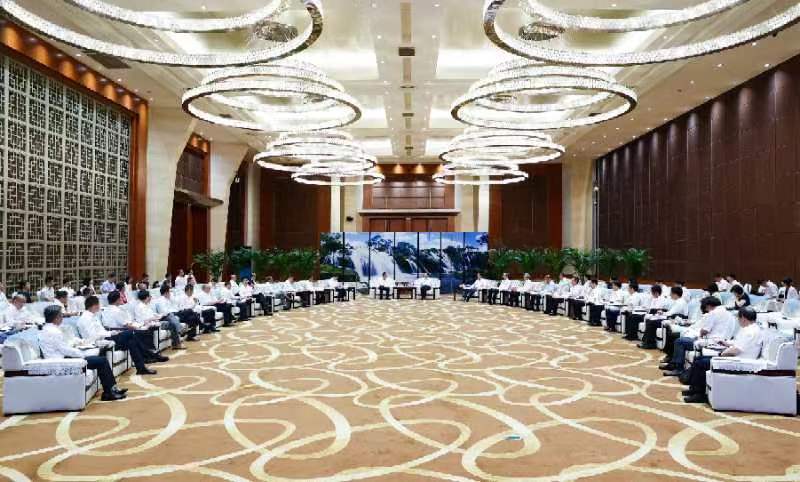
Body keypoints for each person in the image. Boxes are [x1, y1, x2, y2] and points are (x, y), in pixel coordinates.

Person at [39, 305, 127, 401]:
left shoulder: (48, 329)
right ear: (56, 318)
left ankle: (112, 389)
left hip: (62, 359)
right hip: (63, 362)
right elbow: (65, 350)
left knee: (100, 360)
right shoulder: (53, 331)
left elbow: (63, 348)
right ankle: (109, 392)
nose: (62, 318)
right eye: (61, 315)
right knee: (101, 361)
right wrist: (82, 354)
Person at [683, 307, 763, 404]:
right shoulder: (751, 329)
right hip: (736, 357)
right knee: (699, 359)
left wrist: (721, 354)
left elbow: (736, 350)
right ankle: (694, 389)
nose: (738, 321)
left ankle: (699, 394)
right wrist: (725, 343)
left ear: (743, 318)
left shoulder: (750, 332)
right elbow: (738, 344)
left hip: (739, 361)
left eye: (738, 318)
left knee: (701, 363)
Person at [76, 296, 156, 375]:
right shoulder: (85, 319)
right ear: (94, 306)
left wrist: (112, 332)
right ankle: (149, 355)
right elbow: (93, 336)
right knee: (130, 333)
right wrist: (110, 333)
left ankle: (141, 368)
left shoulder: (93, 316)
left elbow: (101, 331)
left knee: (131, 341)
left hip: (107, 337)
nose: (99, 306)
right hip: (100, 342)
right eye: (98, 304)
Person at [661, 296, 736, 377]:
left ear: (708, 306)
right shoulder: (730, 315)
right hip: (723, 343)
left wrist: (700, 333)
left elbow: (705, 331)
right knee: (681, 339)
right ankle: (673, 364)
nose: (706, 310)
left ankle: (678, 369)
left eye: (706, 308)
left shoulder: (713, 313)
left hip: (710, 342)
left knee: (680, 341)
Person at [102, 291, 168, 363]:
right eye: (120, 298)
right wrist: (138, 327)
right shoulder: (117, 310)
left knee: (142, 333)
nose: (121, 299)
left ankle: (150, 355)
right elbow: (127, 325)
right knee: (143, 332)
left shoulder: (105, 310)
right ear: (117, 299)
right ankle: (151, 355)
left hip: (116, 332)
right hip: (121, 332)